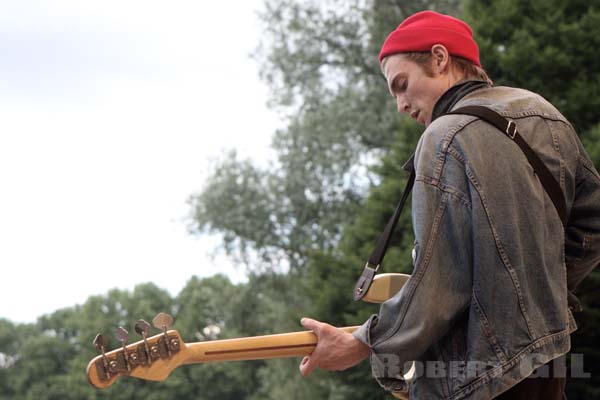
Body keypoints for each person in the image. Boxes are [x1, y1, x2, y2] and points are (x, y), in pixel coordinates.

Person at [298, 10, 600, 400]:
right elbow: (593, 224)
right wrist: (539, 292)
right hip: (546, 365)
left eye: (402, 85)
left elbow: (439, 281)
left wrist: (363, 342)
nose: (401, 105)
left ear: (440, 59)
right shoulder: (545, 115)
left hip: (472, 380)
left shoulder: (444, 138)